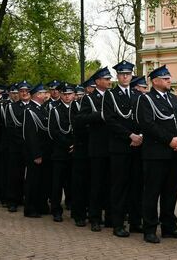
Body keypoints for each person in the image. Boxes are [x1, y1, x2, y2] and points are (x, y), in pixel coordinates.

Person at [135, 65, 177, 244]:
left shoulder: (173, 99)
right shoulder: (146, 100)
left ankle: (168, 226)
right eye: (166, 78)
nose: (169, 80)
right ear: (155, 81)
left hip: (174, 154)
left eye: (169, 78)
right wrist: (169, 141)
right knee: (152, 192)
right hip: (156, 154)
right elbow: (148, 125)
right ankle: (149, 229)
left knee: (171, 192)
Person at [103, 60, 143, 237]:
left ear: (132, 75)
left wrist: (140, 136)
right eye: (122, 74)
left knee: (136, 185)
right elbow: (110, 121)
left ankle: (135, 222)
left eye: (128, 73)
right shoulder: (110, 95)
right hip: (120, 146)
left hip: (137, 146)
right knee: (119, 186)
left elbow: (143, 118)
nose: (125, 76)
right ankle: (118, 224)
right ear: (117, 76)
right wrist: (130, 136)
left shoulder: (137, 95)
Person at [77, 67, 112, 232]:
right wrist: (99, 115)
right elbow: (81, 119)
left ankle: (109, 216)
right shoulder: (88, 99)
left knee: (108, 184)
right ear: (97, 81)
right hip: (97, 147)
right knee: (96, 184)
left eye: (109, 78)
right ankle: (95, 217)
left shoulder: (112, 97)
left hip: (112, 146)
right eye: (106, 79)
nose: (109, 81)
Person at [48, 82, 76, 222]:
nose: (67, 97)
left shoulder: (77, 108)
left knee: (73, 182)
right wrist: (69, 144)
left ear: (74, 95)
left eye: (69, 94)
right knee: (57, 184)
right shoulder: (55, 109)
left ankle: (73, 206)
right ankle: (56, 210)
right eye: (64, 94)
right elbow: (53, 132)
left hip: (75, 152)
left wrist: (76, 144)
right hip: (60, 152)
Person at [4, 80, 32, 212]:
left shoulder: (35, 106)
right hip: (17, 146)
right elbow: (10, 127)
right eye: (21, 91)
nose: (24, 93)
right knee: (15, 175)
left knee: (32, 176)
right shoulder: (12, 107)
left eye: (26, 91)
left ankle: (29, 199)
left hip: (32, 147)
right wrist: (23, 140)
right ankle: (13, 201)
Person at [22, 83, 50, 218]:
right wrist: (36, 154)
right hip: (35, 153)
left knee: (41, 181)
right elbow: (30, 135)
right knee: (33, 181)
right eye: (43, 93)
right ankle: (30, 208)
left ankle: (40, 205)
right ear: (37, 95)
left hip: (44, 151)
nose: (45, 95)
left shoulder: (41, 109)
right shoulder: (30, 110)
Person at [71, 79, 92, 227]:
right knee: (80, 182)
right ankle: (78, 213)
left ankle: (90, 211)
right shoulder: (76, 105)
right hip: (81, 146)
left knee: (92, 183)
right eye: (91, 87)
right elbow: (76, 124)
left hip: (93, 147)